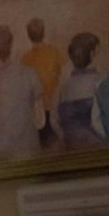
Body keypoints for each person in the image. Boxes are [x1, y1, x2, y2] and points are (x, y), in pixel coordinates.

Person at [0, 24, 43, 159]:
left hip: (4, 153)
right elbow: (40, 121)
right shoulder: (29, 75)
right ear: (11, 44)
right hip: (29, 150)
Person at [55, 32, 103, 149]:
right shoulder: (101, 83)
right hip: (98, 149)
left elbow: (54, 121)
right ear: (92, 54)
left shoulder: (63, 87)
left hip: (72, 147)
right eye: (99, 52)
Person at [21, 17, 63, 149]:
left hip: (36, 112)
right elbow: (62, 77)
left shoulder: (25, 59)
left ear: (28, 35)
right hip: (54, 107)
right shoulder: (54, 52)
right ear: (44, 33)